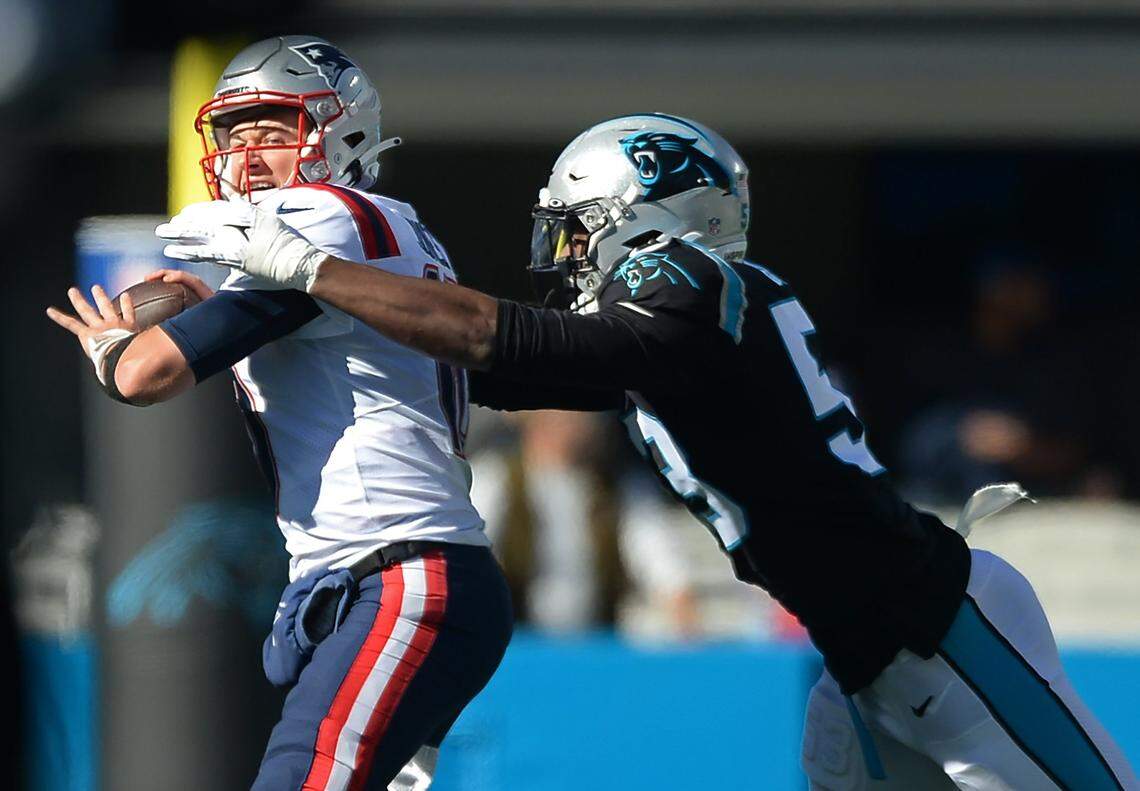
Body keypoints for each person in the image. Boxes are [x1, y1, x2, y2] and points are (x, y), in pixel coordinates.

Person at [156, 112, 1137, 789]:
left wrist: (319, 267)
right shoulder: (675, 326)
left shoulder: (694, 284)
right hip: (867, 661)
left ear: (654, 210)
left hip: (942, 632)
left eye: (581, 232)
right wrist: (273, 319)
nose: (571, 259)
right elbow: (477, 368)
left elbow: (505, 344)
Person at [48, 36, 512, 790]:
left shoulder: (320, 214)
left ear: (342, 134)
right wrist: (220, 310)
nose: (247, 157)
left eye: (275, 132)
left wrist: (110, 350)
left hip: (400, 574)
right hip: (392, 575)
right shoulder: (384, 223)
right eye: (235, 135)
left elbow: (144, 376)